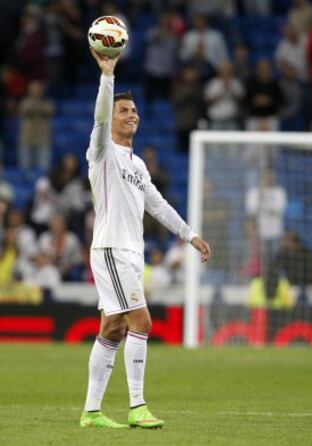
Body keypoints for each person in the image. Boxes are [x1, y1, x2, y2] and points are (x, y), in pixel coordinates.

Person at [80, 49, 211, 430]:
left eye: (134, 111)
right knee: (142, 321)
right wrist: (108, 76)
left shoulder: (137, 165)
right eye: (124, 111)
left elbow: (158, 205)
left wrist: (191, 235)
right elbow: (100, 114)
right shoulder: (102, 152)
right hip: (111, 249)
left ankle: (91, 412)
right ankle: (137, 406)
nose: (131, 114)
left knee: (113, 328)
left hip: (128, 253)